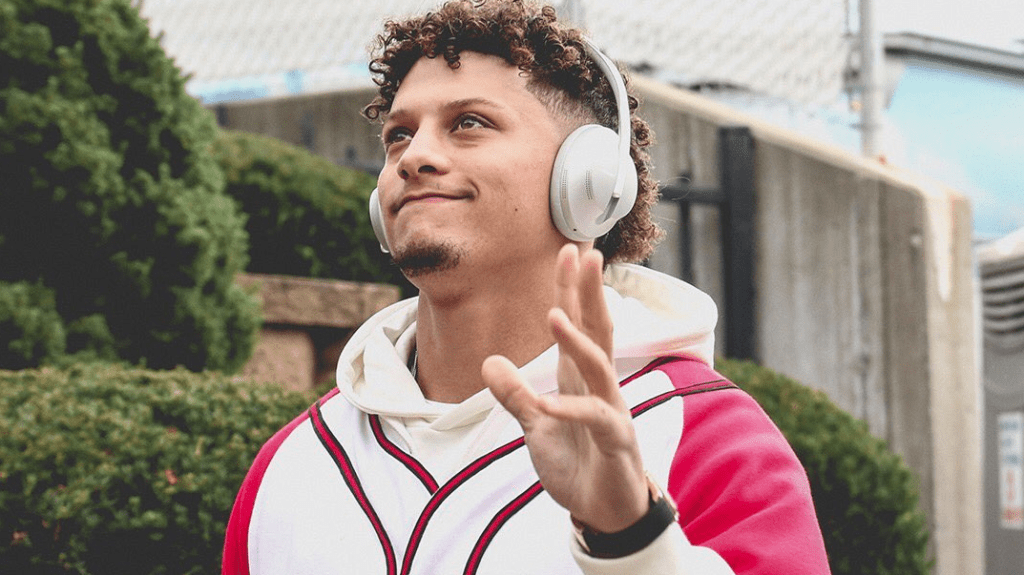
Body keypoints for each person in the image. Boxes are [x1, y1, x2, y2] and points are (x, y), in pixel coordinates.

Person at [222, 1, 831, 573]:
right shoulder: (291, 464)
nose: (413, 157)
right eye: (399, 135)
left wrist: (631, 537)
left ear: (587, 182)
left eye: (468, 123)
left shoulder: (711, 441)